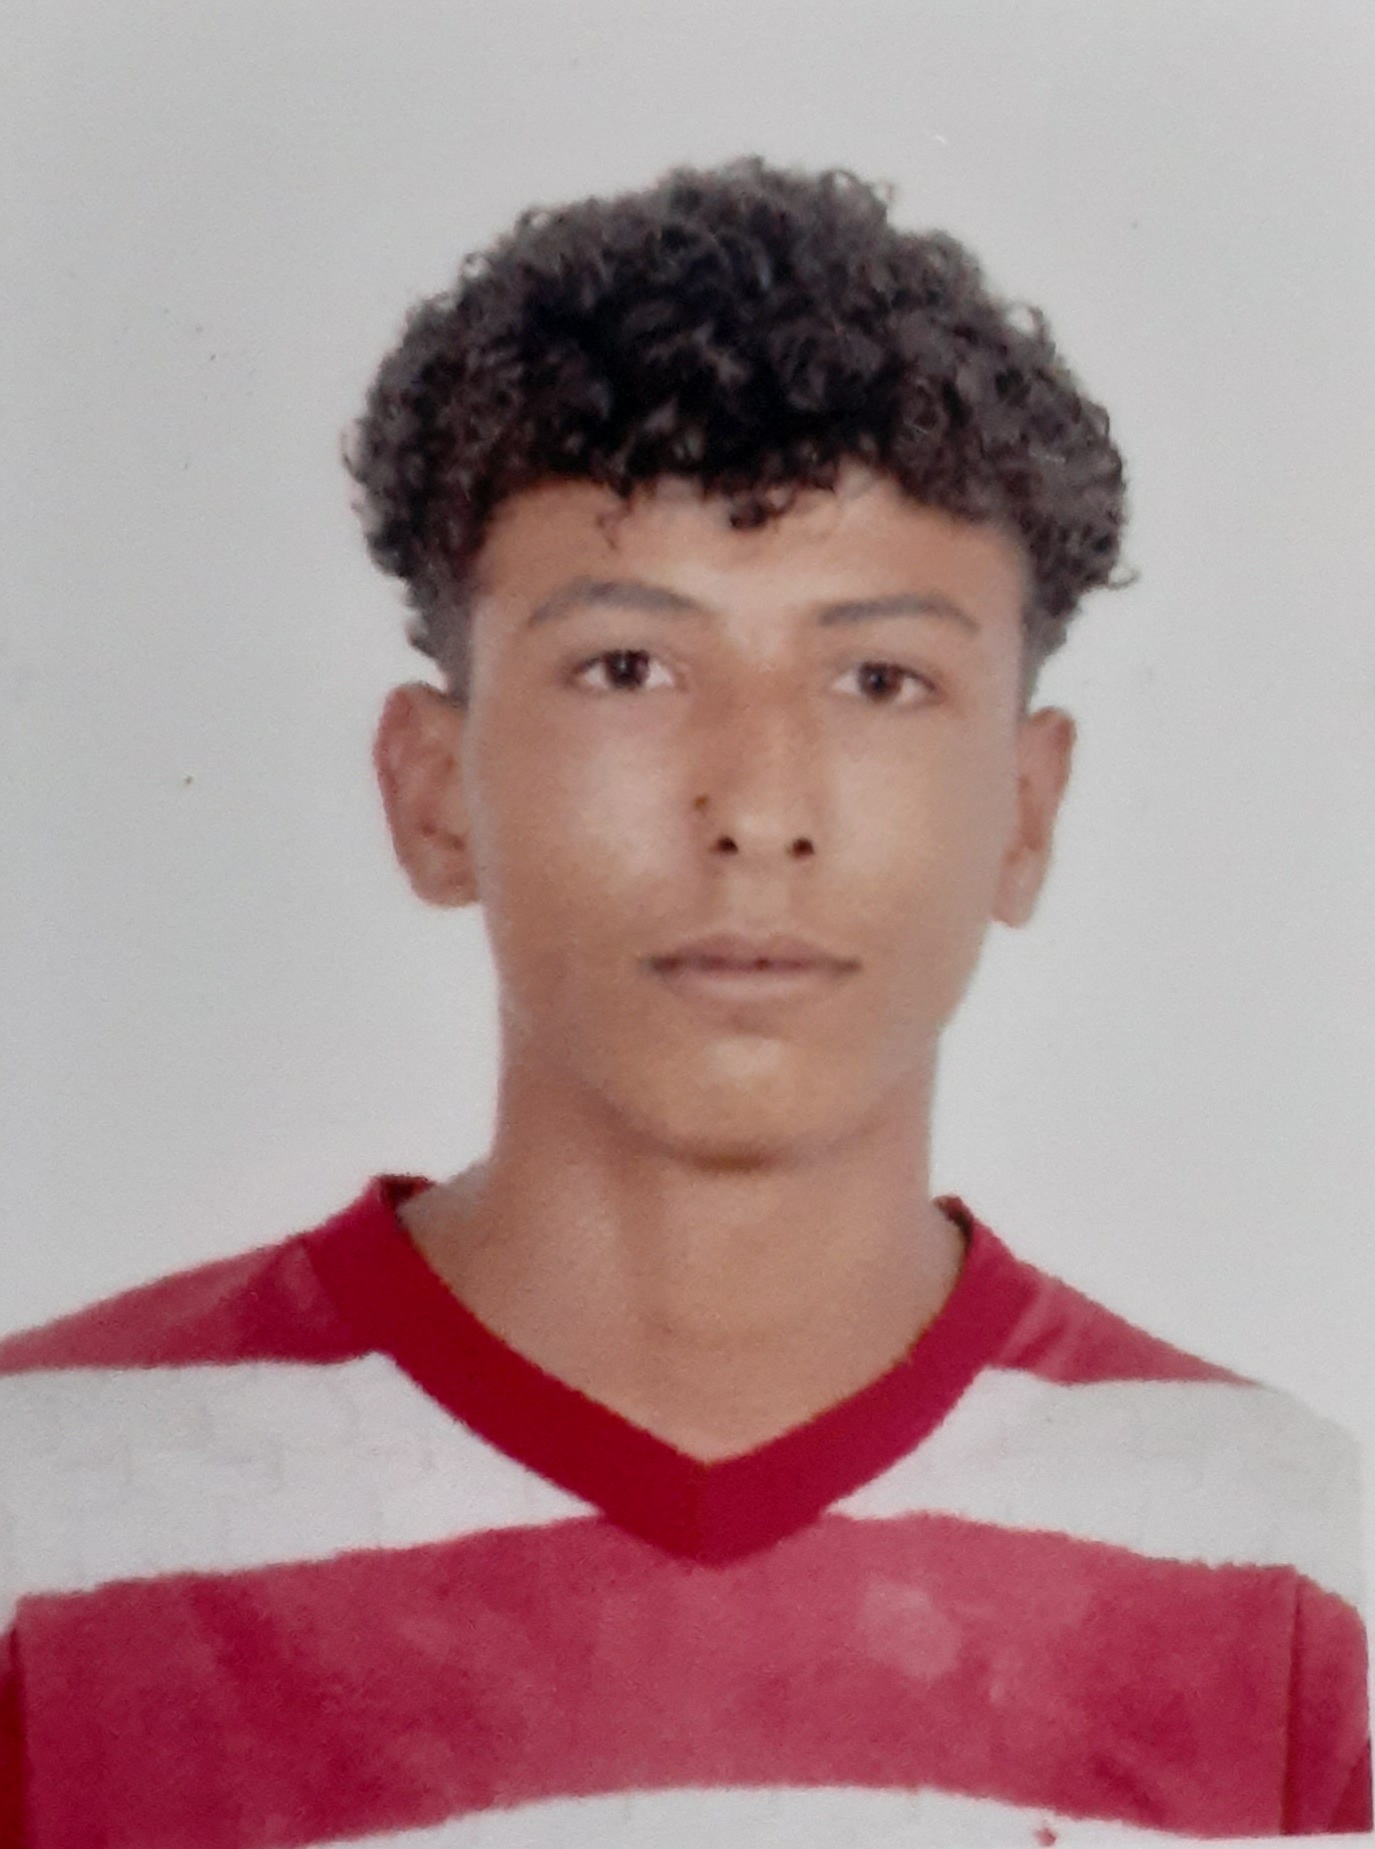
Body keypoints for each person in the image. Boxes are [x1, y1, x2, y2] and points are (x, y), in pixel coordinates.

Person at [0, 156, 1367, 1846]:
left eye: (881, 677)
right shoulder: (48, 1520)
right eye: (629, 666)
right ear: (431, 794)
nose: (758, 805)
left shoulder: (1282, 1571)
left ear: (1025, 813)